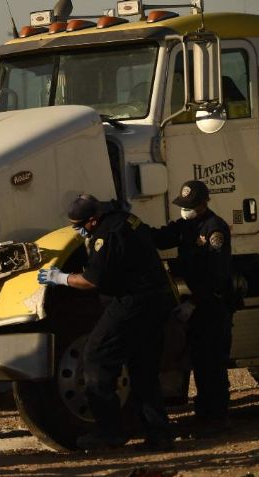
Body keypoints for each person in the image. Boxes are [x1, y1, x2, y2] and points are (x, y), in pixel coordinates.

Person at [38, 194, 175, 450]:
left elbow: (92, 280)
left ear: (93, 220)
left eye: (79, 225)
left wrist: (60, 278)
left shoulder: (106, 235)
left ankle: (108, 431)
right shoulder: (126, 220)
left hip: (132, 302)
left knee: (96, 356)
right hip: (155, 301)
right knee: (143, 369)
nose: (77, 230)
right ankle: (160, 435)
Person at [150, 180, 234, 435]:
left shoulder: (214, 229)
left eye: (191, 206)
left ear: (204, 203)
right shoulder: (187, 225)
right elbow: (161, 238)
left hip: (213, 303)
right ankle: (204, 413)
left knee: (213, 361)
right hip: (196, 303)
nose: (185, 210)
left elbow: (217, 275)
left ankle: (217, 417)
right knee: (199, 357)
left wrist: (194, 303)